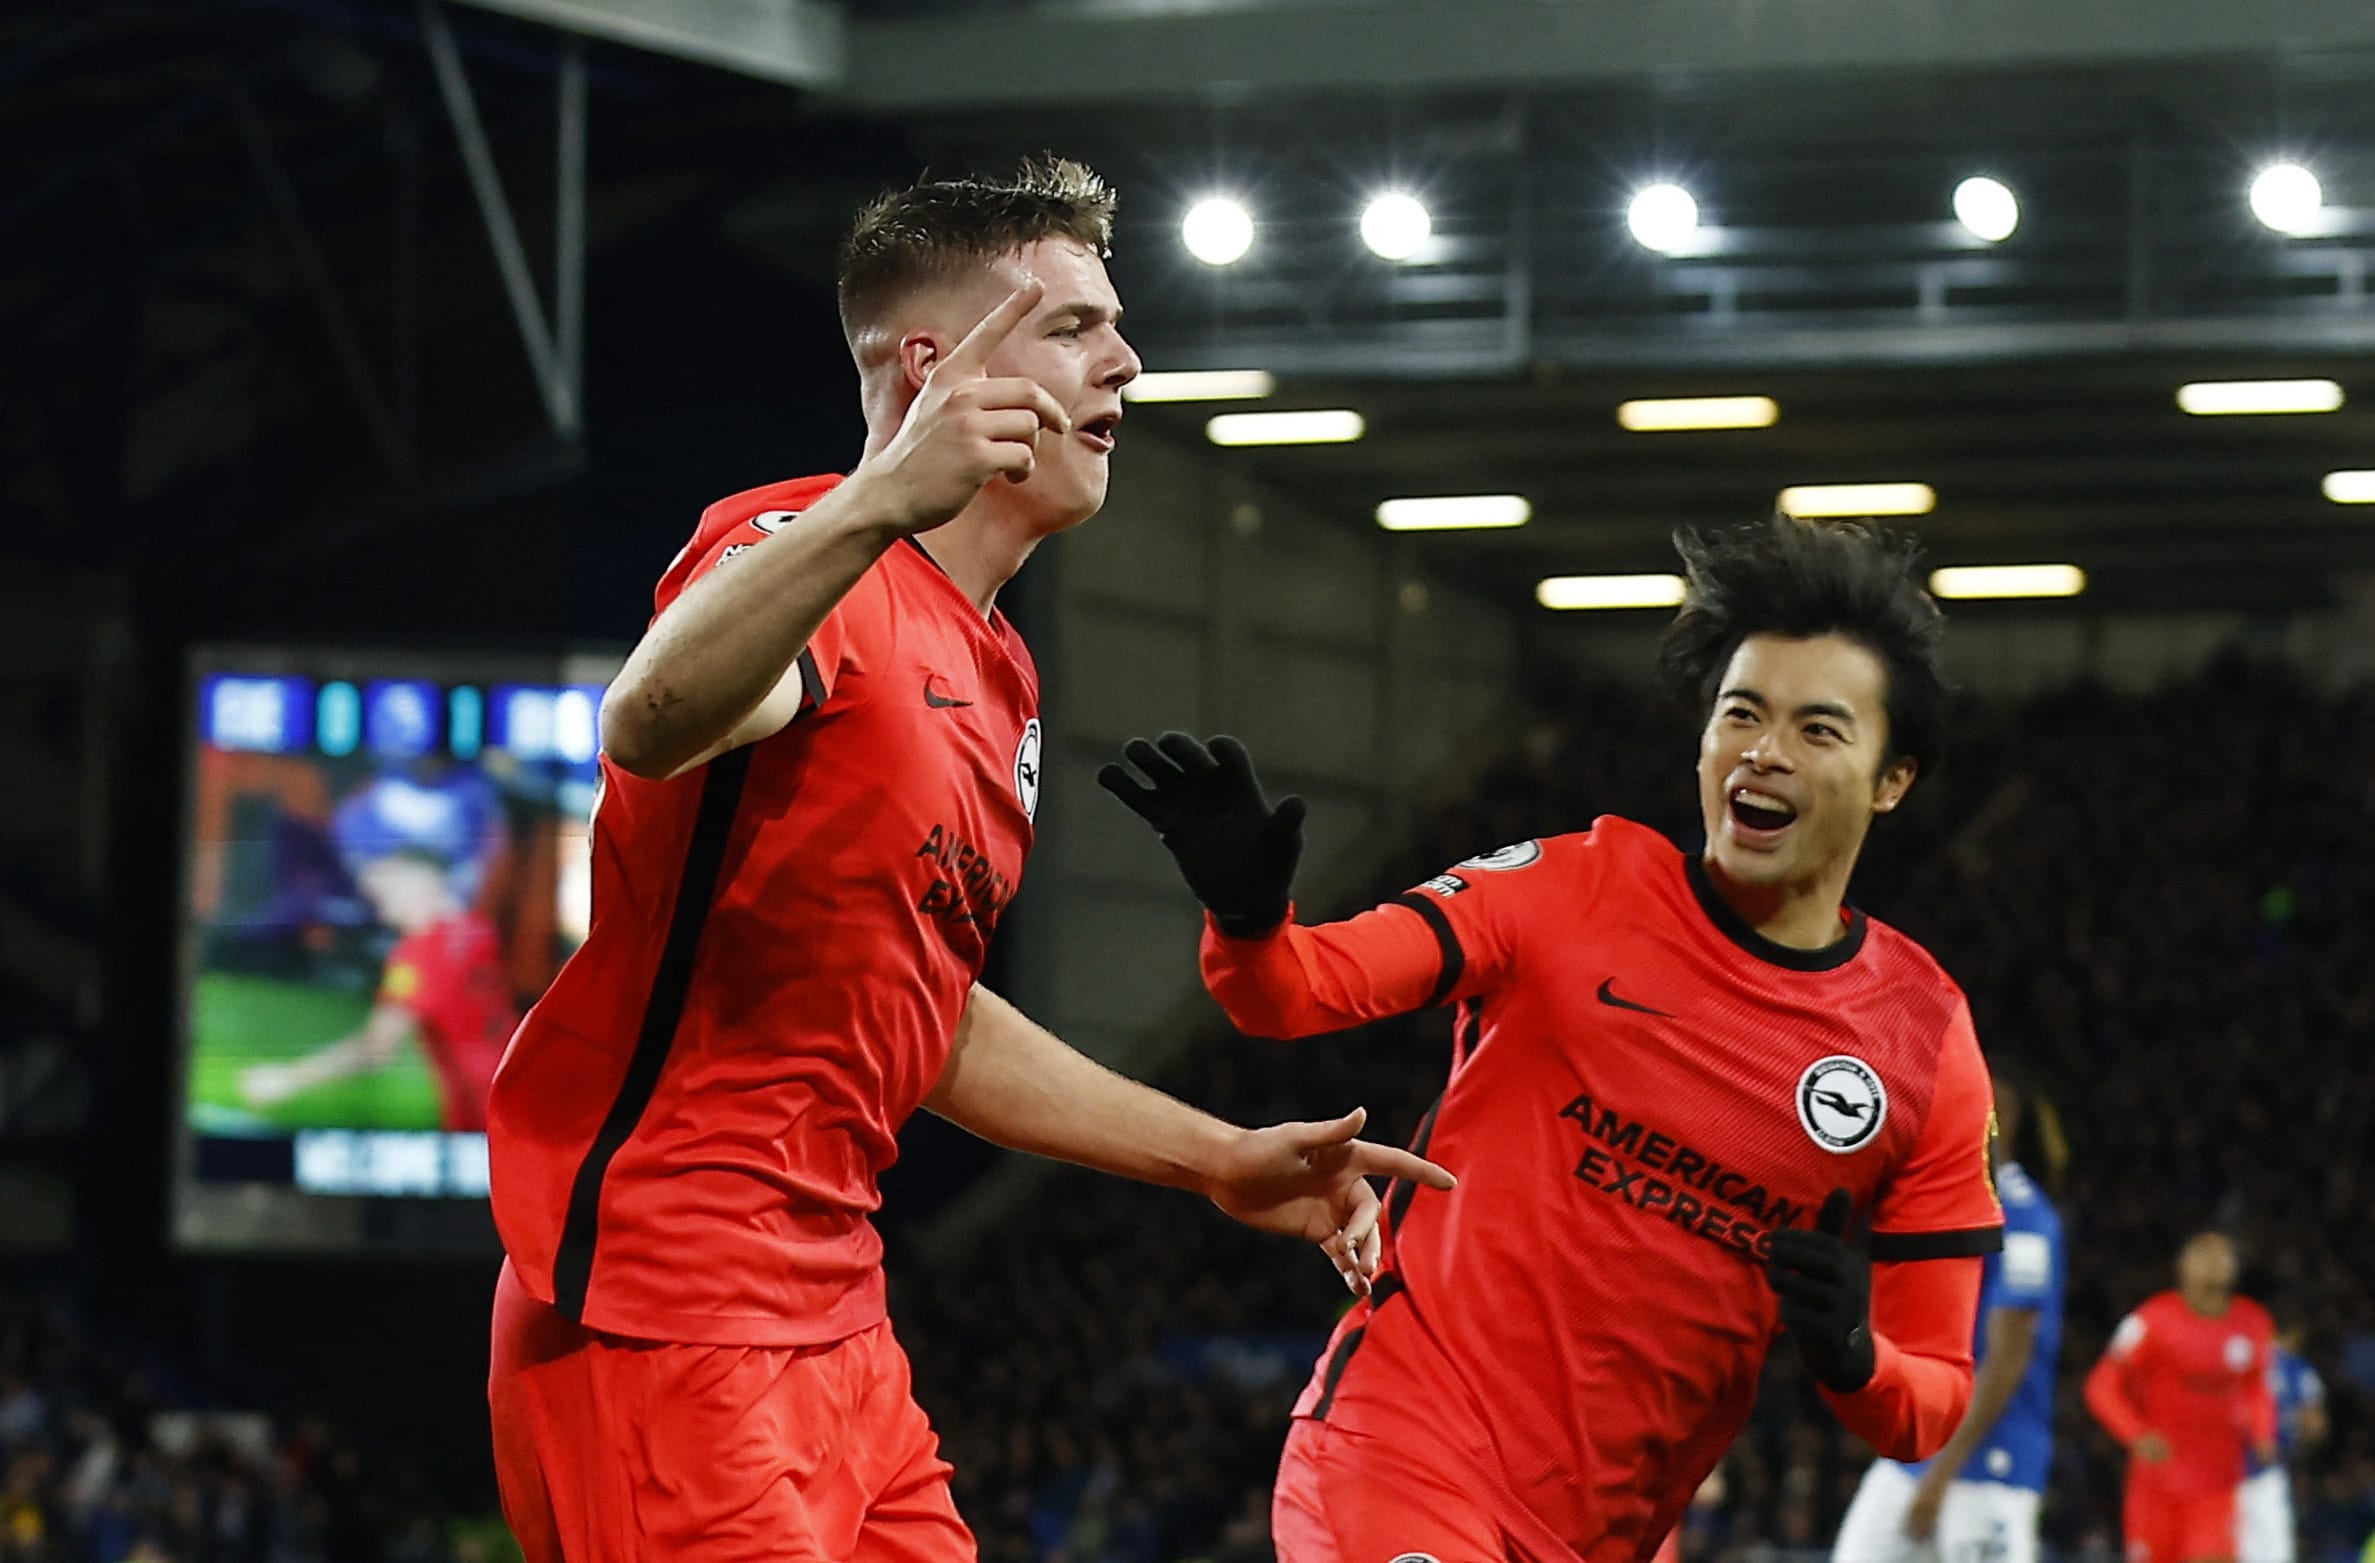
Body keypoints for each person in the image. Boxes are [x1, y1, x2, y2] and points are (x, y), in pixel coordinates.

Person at [483, 158, 1451, 1563]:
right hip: (664, 1305)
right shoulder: (792, 549)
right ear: (936, 369)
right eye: (1069, 327)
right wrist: (875, 497)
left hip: (834, 1323)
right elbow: (649, 719)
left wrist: (1217, 1156)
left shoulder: (994, 668)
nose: (1122, 357)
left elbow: (919, 1009)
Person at [1103, 516, 2005, 1561]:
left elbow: (1930, 1401)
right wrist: (1250, 916)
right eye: (1738, 714)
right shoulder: (1572, 888)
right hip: (1403, 1451)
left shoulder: (1923, 1042)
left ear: (1892, 779)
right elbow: (1296, 991)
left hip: (1612, 1533)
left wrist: (1853, 1354)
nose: (1762, 752)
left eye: (1817, 729)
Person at [1831, 1067, 2068, 1563]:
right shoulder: (1945, 1199)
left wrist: (1942, 1475)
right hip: (1919, 1454)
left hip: (1990, 1471)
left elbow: (2008, 1359)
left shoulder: (2026, 1221)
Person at [241, 842, 513, 1133]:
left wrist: (286, 1080)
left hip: (485, 1114)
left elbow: (375, 1048)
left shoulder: (420, 953)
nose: (382, 910)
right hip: (517, 1094)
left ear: (421, 881)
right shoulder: (477, 928)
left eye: (387, 893)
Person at [2084, 1231, 2277, 1563]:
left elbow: (2257, 1388)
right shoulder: (2151, 1321)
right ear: (2182, 1266)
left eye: (2221, 1253)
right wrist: (2136, 1434)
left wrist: (2262, 1432)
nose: (2213, 1261)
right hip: (2157, 1484)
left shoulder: (2253, 1323)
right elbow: (2101, 1385)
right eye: (2203, 1253)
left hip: (2218, 1485)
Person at [2237, 1308, 2328, 1563]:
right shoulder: (2295, 1367)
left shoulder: (2238, 1360)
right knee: (2273, 1553)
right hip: (2265, 1475)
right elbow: (2316, 1426)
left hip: (2223, 1474)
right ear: (2297, 1333)